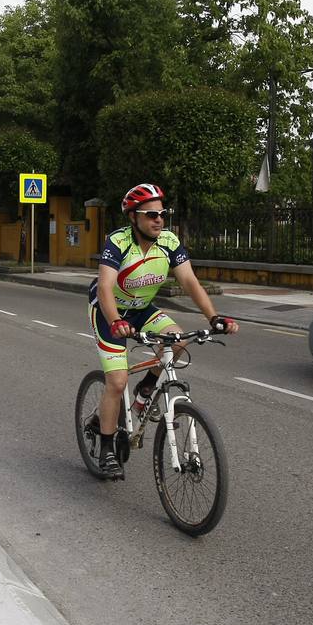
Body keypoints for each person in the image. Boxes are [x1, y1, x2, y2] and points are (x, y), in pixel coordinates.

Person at [87, 183, 238, 478]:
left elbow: (190, 282)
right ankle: (106, 449)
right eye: (151, 214)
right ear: (134, 217)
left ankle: (145, 390)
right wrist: (116, 319)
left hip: (142, 309)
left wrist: (214, 317)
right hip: (108, 312)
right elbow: (105, 286)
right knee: (117, 382)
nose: (159, 220)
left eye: (162, 214)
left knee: (178, 341)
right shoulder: (117, 242)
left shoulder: (169, 242)